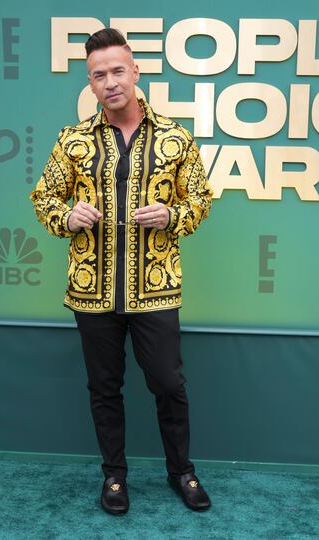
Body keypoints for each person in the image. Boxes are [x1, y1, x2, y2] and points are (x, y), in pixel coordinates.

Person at [30, 28, 213, 516]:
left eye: (117, 70)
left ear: (135, 72)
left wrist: (173, 216)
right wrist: (64, 217)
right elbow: (44, 197)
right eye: (98, 75)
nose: (110, 82)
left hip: (156, 288)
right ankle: (114, 477)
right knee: (104, 389)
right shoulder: (73, 141)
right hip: (92, 292)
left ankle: (182, 472)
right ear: (90, 84)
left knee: (169, 385)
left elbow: (201, 199)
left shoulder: (176, 139)